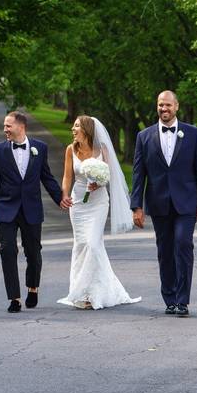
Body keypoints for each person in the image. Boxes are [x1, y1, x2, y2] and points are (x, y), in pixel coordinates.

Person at [0, 111, 70, 313]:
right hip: (5, 209)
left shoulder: (40, 148)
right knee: (7, 250)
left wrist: (59, 198)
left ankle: (33, 287)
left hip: (31, 208)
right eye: (4, 126)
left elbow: (46, 177)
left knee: (33, 251)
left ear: (21, 127)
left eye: (8, 126)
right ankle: (14, 298)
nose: (5, 129)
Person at [131, 91, 197, 317]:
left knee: (183, 244)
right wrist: (136, 206)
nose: (163, 109)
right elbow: (138, 174)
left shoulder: (193, 133)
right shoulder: (144, 136)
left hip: (186, 202)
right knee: (164, 250)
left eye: (167, 105)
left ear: (176, 106)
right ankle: (170, 298)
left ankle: (183, 300)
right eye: (160, 105)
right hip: (158, 203)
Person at [57, 115, 139, 309]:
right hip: (78, 203)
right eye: (73, 126)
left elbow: (110, 176)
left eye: (77, 126)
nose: (73, 129)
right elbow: (67, 176)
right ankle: (86, 294)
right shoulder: (71, 150)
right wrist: (64, 194)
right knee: (81, 245)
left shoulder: (101, 150)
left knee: (93, 244)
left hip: (99, 202)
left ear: (86, 129)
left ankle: (83, 289)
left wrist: (99, 182)